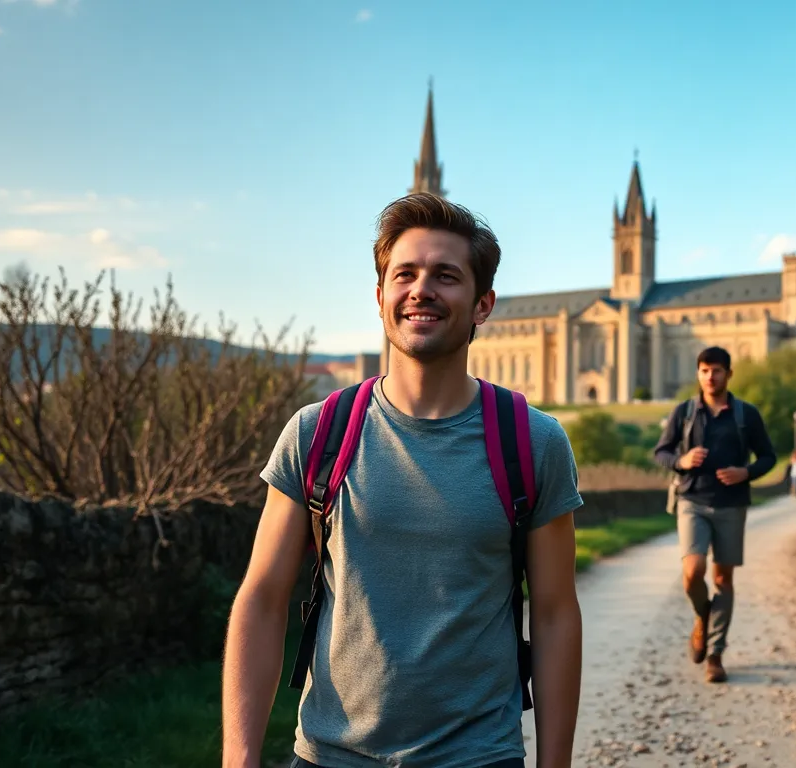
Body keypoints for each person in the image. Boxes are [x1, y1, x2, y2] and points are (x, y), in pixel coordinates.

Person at [221, 194, 584, 768]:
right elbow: (263, 600)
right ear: (380, 296)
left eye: (446, 276)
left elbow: (557, 612)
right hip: (330, 755)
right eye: (405, 274)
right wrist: (238, 760)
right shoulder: (316, 433)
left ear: (482, 304)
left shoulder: (534, 443)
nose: (422, 290)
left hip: (477, 757)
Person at [652, 346, 776, 684]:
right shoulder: (685, 412)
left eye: (717, 370)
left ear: (728, 374)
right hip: (692, 501)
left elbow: (768, 457)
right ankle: (702, 617)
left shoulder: (746, 415)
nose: (711, 376)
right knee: (693, 572)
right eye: (705, 370)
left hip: (732, 504)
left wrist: (745, 472)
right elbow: (661, 452)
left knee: (723, 581)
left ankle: (716, 655)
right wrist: (682, 460)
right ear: (698, 374)